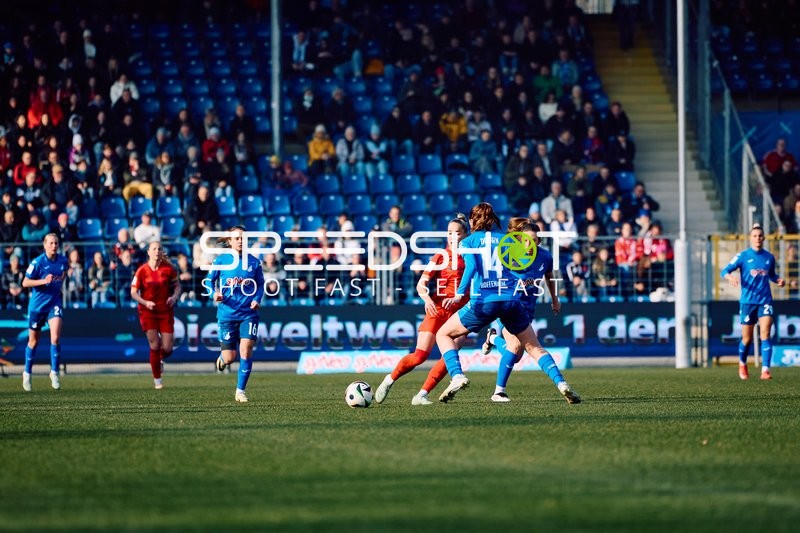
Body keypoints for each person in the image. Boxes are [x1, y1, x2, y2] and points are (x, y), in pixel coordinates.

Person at [434, 203, 580, 403]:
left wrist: (460, 294)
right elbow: (522, 268)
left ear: (473, 221)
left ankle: (457, 375)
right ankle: (562, 383)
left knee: (443, 334)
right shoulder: (507, 241)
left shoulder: (467, 242)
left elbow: (470, 267)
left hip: (484, 301)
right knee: (533, 347)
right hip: (511, 300)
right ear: (493, 219)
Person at [374, 214, 470, 406]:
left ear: (465, 235)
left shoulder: (473, 256)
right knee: (419, 356)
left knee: (451, 354)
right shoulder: (440, 257)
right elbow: (421, 284)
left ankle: (421, 395)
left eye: (457, 233)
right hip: (438, 309)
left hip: (460, 313)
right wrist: (427, 299)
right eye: (449, 233)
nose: (453, 236)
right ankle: (389, 379)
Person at [481, 218, 578, 402]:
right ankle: (499, 392)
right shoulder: (509, 255)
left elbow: (549, 277)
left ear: (539, 242)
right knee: (522, 346)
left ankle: (492, 338)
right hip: (508, 305)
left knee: (516, 356)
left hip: (528, 308)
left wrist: (555, 300)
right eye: (525, 240)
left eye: (533, 240)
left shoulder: (545, 257)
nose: (529, 244)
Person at [205, 225, 264, 402]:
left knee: (246, 350)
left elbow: (260, 284)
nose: (240, 241)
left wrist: (257, 299)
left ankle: (240, 391)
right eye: (237, 238)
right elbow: (209, 281)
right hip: (227, 314)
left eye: (243, 238)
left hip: (248, 313)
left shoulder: (254, 262)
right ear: (230, 241)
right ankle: (222, 360)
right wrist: (213, 293)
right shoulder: (221, 261)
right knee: (230, 357)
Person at [721, 224, 785, 380]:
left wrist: (778, 280)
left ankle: (765, 370)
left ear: (764, 238)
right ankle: (742, 363)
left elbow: (771, 275)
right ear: (750, 238)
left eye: (760, 236)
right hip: (748, 302)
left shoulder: (769, 257)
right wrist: (731, 278)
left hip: (765, 301)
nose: (757, 239)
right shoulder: (743, 256)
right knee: (747, 339)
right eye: (755, 236)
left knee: (766, 333)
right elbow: (724, 271)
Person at [21, 233, 69, 392]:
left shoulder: (63, 260)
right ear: (45, 245)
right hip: (37, 306)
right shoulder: (38, 262)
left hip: (54, 303)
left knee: (55, 336)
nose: (54, 246)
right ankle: (27, 373)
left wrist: (58, 288)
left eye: (56, 243)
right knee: (33, 342)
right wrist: (43, 281)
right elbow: (25, 282)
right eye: (51, 243)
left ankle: (54, 372)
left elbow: (63, 274)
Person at [131, 242, 180, 389]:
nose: (157, 251)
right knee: (154, 344)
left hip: (165, 310)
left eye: (159, 249)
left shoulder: (168, 269)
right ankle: (157, 380)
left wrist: (174, 297)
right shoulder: (142, 271)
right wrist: (145, 302)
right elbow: (133, 292)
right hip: (148, 311)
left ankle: (159, 359)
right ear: (148, 252)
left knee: (168, 347)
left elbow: (177, 286)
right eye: (154, 249)